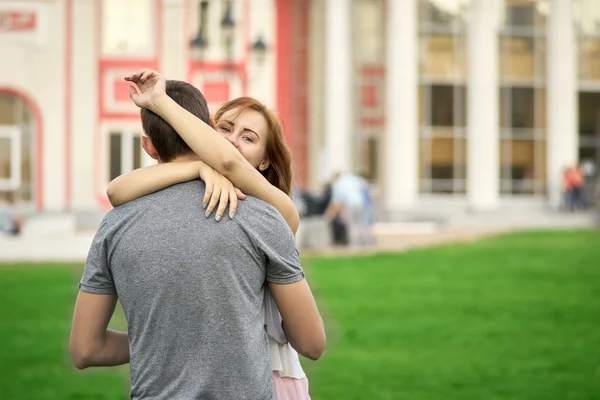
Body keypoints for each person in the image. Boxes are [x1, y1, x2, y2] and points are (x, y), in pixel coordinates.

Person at [70, 73, 325, 400]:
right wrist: (196, 168)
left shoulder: (277, 211)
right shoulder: (263, 222)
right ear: (203, 130)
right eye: (225, 130)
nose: (232, 142)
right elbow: (116, 190)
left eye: (248, 137)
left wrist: (160, 344)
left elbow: (85, 349)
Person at [324, 171, 371, 247]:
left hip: (350, 205)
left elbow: (336, 202)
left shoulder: (338, 185)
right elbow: (365, 187)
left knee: (352, 224)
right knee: (362, 223)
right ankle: (366, 243)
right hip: (361, 203)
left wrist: (329, 213)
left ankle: (355, 245)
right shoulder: (352, 179)